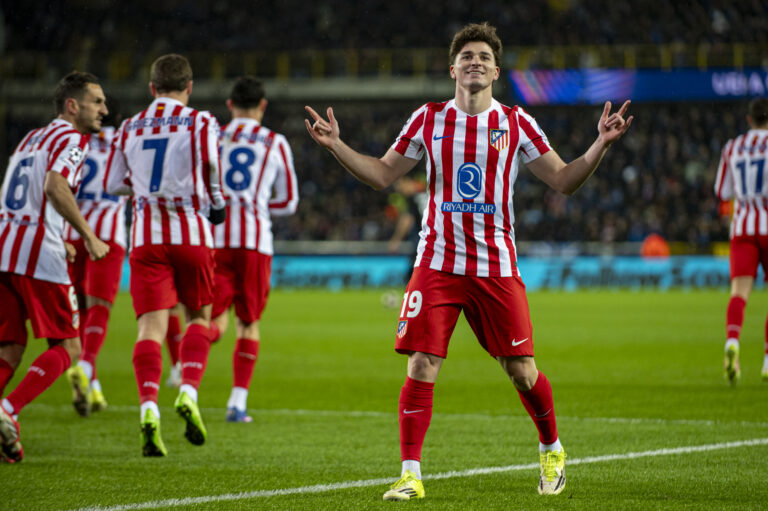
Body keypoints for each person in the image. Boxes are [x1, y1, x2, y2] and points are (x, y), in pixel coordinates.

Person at [305, 22, 632, 499]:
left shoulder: (517, 123)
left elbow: (563, 180)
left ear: (496, 71)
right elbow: (382, 174)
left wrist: (599, 144)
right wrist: (337, 144)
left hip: (495, 267)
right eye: (467, 57)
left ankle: (552, 448)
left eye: (483, 57)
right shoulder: (428, 119)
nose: (475, 62)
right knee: (421, 363)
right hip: (436, 263)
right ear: (452, 69)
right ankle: (411, 474)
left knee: (522, 371)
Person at [104, 54, 226, 456]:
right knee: (198, 318)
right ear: (189, 87)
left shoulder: (129, 126)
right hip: (190, 231)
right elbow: (211, 165)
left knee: (150, 330)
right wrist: (217, 202)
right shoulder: (200, 121)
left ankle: (148, 408)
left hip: (145, 237)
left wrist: (144, 187)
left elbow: (113, 184)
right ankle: (188, 391)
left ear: (152, 88)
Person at [0, 71, 110, 462]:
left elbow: (19, 191)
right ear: (72, 105)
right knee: (68, 346)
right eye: (97, 102)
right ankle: (7, 410)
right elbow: (54, 185)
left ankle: (5, 438)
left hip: (4, 246)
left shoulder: (31, 138)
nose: (104, 110)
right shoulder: (72, 139)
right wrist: (88, 236)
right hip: (37, 252)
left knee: (10, 347)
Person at [210, 76, 299, 422]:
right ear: (263, 105)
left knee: (211, 320)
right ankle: (237, 403)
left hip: (215, 240)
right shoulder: (275, 142)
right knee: (248, 323)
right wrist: (256, 205)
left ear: (230, 105)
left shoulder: (212, 137)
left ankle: (187, 379)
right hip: (254, 244)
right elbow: (288, 202)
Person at [63, 95, 128, 416]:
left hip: (72, 235)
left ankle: (90, 387)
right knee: (99, 308)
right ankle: (86, 367)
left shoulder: (76, 143)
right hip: (107, 236)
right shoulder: (123, 141)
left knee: (78, 314)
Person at [714, 97, 768, 385]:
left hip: (743, 227)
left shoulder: (732, 147)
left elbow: (722, 192)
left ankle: (732, 341)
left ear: (749, 119)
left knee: (739, 294)